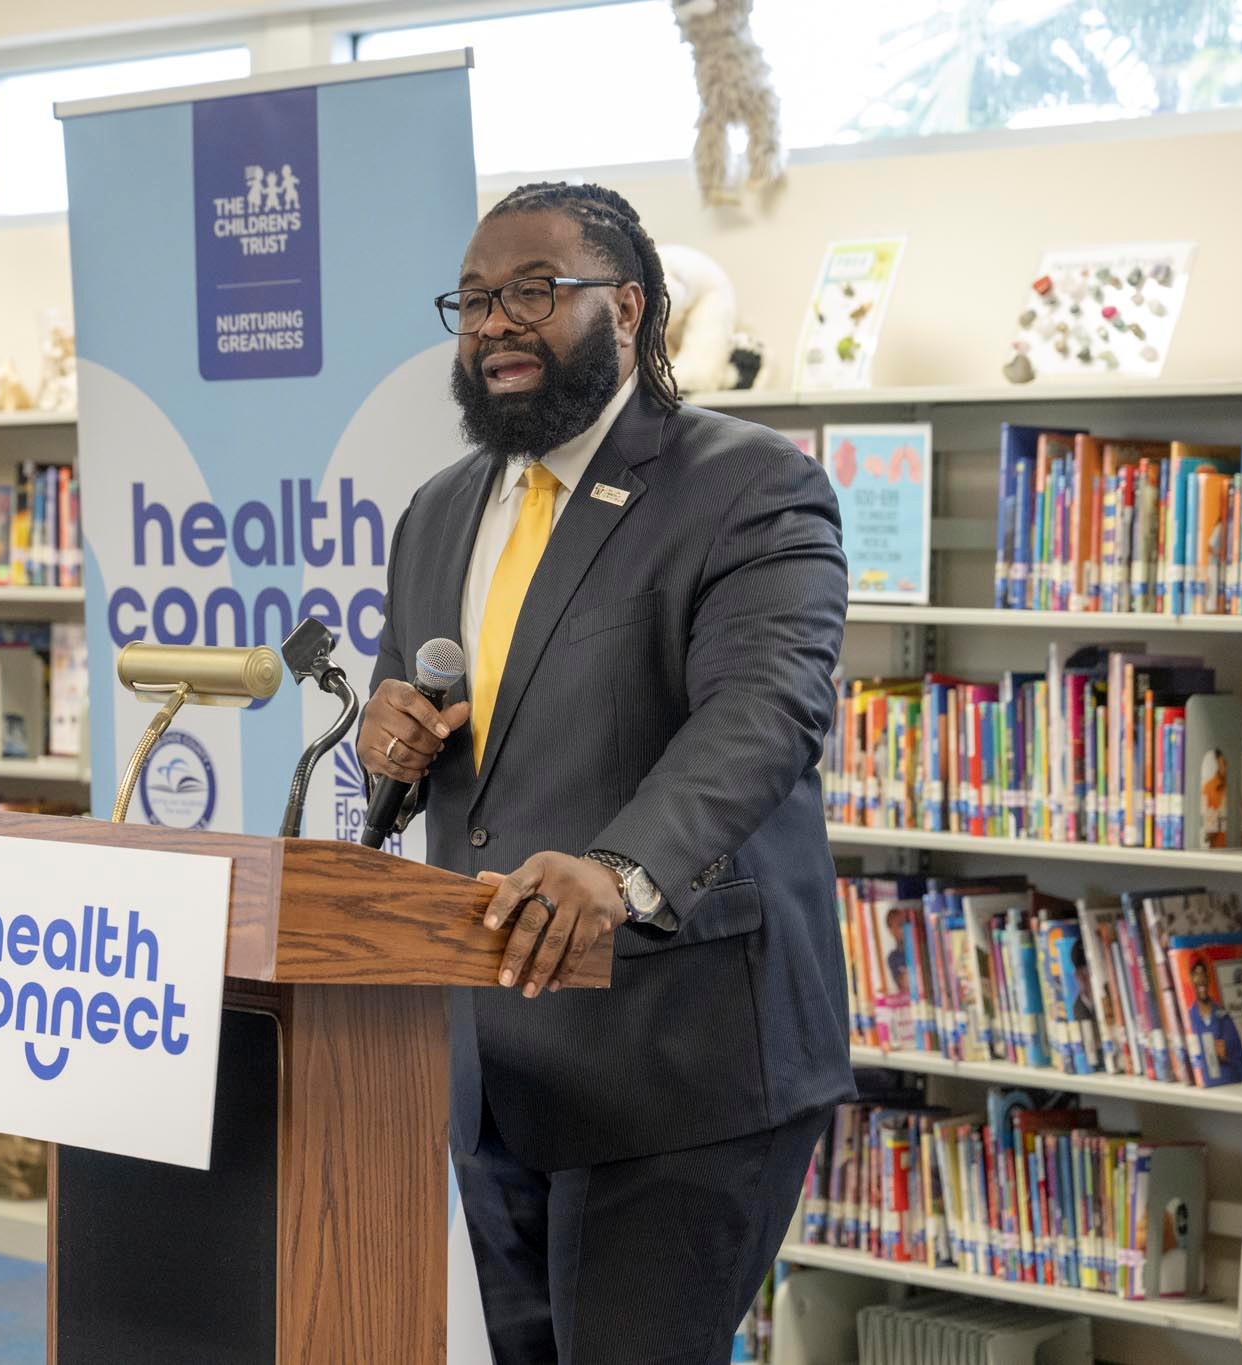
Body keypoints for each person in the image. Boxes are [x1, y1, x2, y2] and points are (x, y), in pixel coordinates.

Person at [357, 180, 852, 1364]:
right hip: (493, 1067)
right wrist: (390, 743)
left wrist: (618, 870)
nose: (496, 323)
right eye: (474, 300)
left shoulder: (745, 484)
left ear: (626, 308)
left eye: (535, 291)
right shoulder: (438, 511)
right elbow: (424, 718)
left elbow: (761, 714)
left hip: (676, 1058)